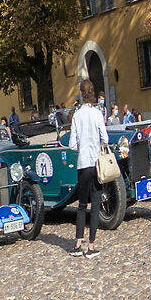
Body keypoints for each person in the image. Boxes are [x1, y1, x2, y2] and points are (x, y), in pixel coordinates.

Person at [67, 78, 110, 256]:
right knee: (96, 205)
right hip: (97, 163)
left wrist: (81, 144)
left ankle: (78, 244)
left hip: (83, 164)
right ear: (92, 93)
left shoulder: (77, 115)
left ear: (81, 93)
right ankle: (91, 246)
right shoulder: (98, 114)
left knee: (82, 205)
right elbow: (105, 139)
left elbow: (72, 144)